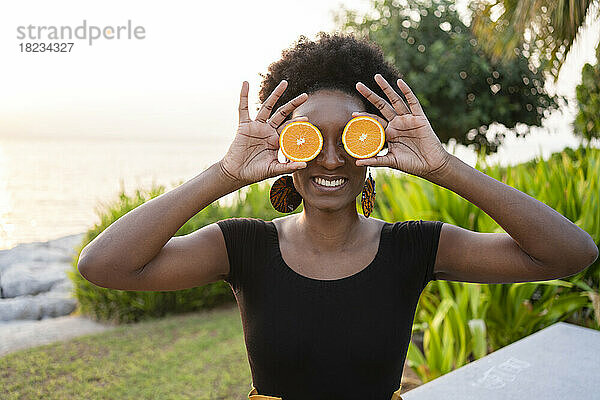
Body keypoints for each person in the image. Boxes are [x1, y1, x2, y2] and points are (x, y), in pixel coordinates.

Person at [77, 33, 598, 400]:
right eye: (307, 138)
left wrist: (442, 167)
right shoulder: (241, 246)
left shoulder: (416, 247)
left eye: (351, 137)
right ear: (283, 147)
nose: (330, 159)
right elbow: (104, 265)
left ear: (375, 144)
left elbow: (570, 253)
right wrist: (225, 174)